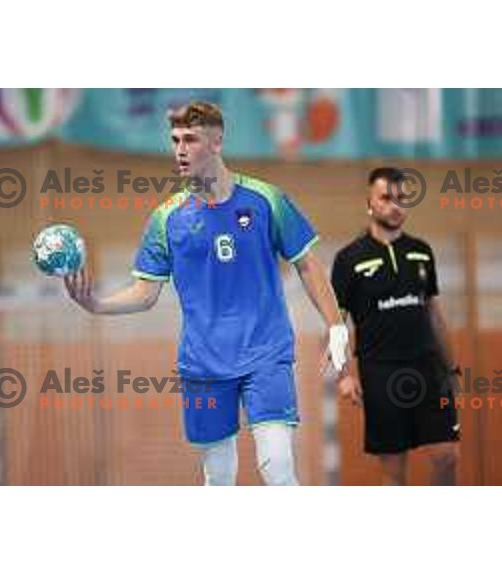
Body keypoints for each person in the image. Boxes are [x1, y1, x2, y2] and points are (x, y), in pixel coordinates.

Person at [65, 101, 348, 486]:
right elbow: (146, 292)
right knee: (218, 476)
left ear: (216, 141)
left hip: (266, 352)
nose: (180, 149)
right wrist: (96, 304)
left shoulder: (267, 200)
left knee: (278, 466)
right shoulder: (167, 218)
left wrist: (335, 326)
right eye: (175, 140)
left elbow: (307, 263)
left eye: (191, 139)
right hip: (203, 363)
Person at [331, 167, 460, 486]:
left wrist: (451, 366)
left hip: (428, 368)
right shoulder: (349, 259)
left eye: (401, 198)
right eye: (386, 198)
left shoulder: (421, 251)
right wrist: (345, 373)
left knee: (447, 455)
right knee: (393, 470)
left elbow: (434, 313)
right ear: (370, 203)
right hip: (380, 371)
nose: (395, 205)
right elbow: (337, 323)